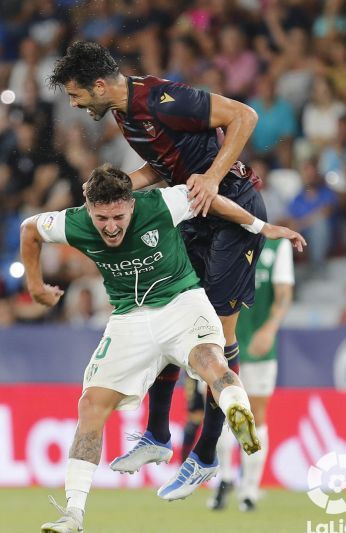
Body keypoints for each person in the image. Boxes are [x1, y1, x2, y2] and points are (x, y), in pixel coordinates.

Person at [23, 165, 305, 533]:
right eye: (101, 218)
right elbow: (30, 229)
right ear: (88, 208)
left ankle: (237, 413)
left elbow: (214, 201)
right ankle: (74, 515)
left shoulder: (160, 203)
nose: (110, 226)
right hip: (128, 319)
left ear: (131, 205)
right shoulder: (72, 223)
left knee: (210, 361)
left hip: (182, 303)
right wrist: (35, 284)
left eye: (119, 216)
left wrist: (260, 227)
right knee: (90, 405)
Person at [49, 41, 267, 482]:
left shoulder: (162, 99)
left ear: (97, 85)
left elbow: (244, 115)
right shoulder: (124, 112)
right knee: (170, 309)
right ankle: (157, 434)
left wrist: (212, 175)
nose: (73, 104)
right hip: (195, 211)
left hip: (231, 214)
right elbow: (165, 166)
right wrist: (118, 190)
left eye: (75, 95)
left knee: (218, 334)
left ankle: (205, 454)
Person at [209, 236, 294, 512]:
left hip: (258, 345)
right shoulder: (217, 236)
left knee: (256, 415)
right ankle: (225, 480)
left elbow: (283, 294)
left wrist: (270, 329)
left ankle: (249, 489)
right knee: (221, 412)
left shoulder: (276, 246)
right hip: (221, 344)